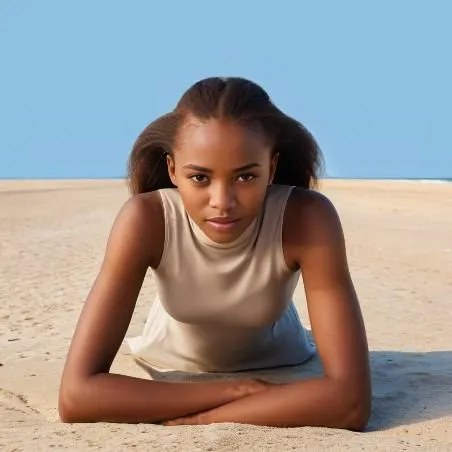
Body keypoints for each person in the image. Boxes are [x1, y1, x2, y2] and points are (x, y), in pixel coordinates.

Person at [58, 76, 371, 430]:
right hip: (172, 360)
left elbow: (351, 402)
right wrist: (236, 391)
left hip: (284, 363)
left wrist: (207, 420)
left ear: (271, 167)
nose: (222, 202)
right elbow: (76, 396)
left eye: (245, 177)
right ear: (173, 170)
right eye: (200, 178)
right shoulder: (147, 219)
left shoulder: (307, 218)